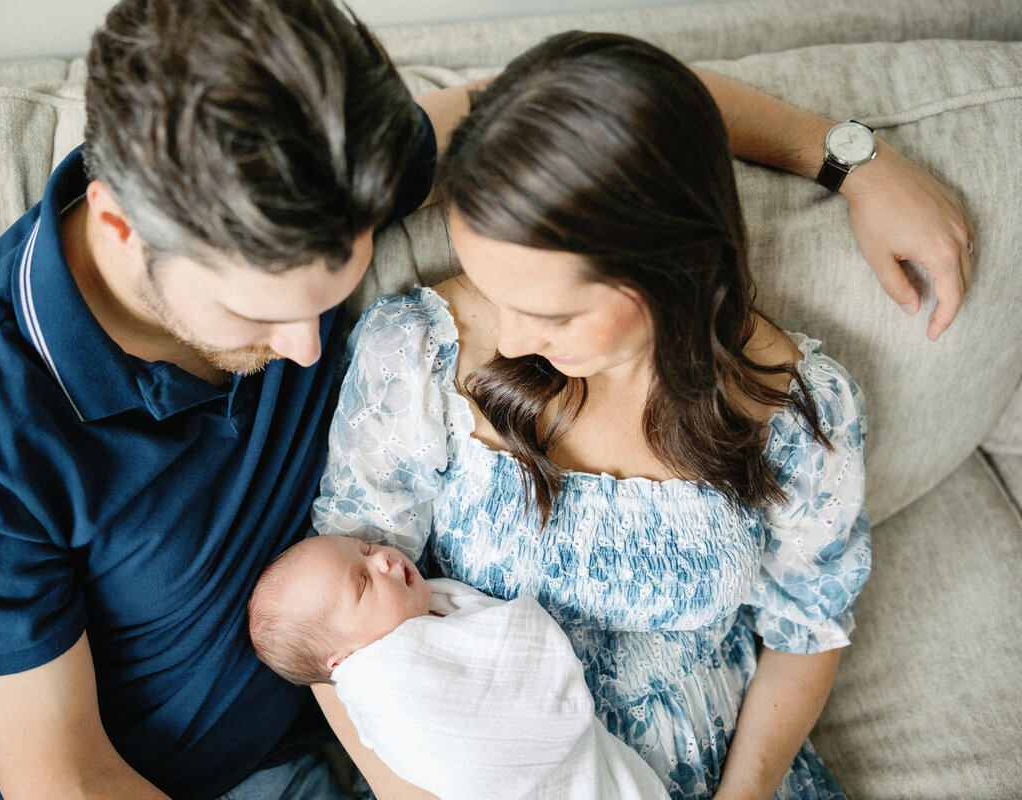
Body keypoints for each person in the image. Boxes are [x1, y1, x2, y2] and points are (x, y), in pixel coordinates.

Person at [0, 0, 969, 796]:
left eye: (334, 292)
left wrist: (849, 160)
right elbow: (63, 779)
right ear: (123, 230)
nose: (308, 354)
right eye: (263, 317)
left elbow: (594, 113)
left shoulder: (320, 170)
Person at [312, 32, 873, 800]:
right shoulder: (417, 352)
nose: (507, 339)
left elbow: (807, 630)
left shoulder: (802, 412)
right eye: (489, 284)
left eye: (549, 313)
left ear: (670, 269)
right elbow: (335, 626)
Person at [247, 533, 672, 800]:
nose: (384, 561)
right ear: (343, 661)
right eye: (362, 581)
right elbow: (528, 666)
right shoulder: (382, 685)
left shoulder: (430, 603)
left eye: (368, 547)